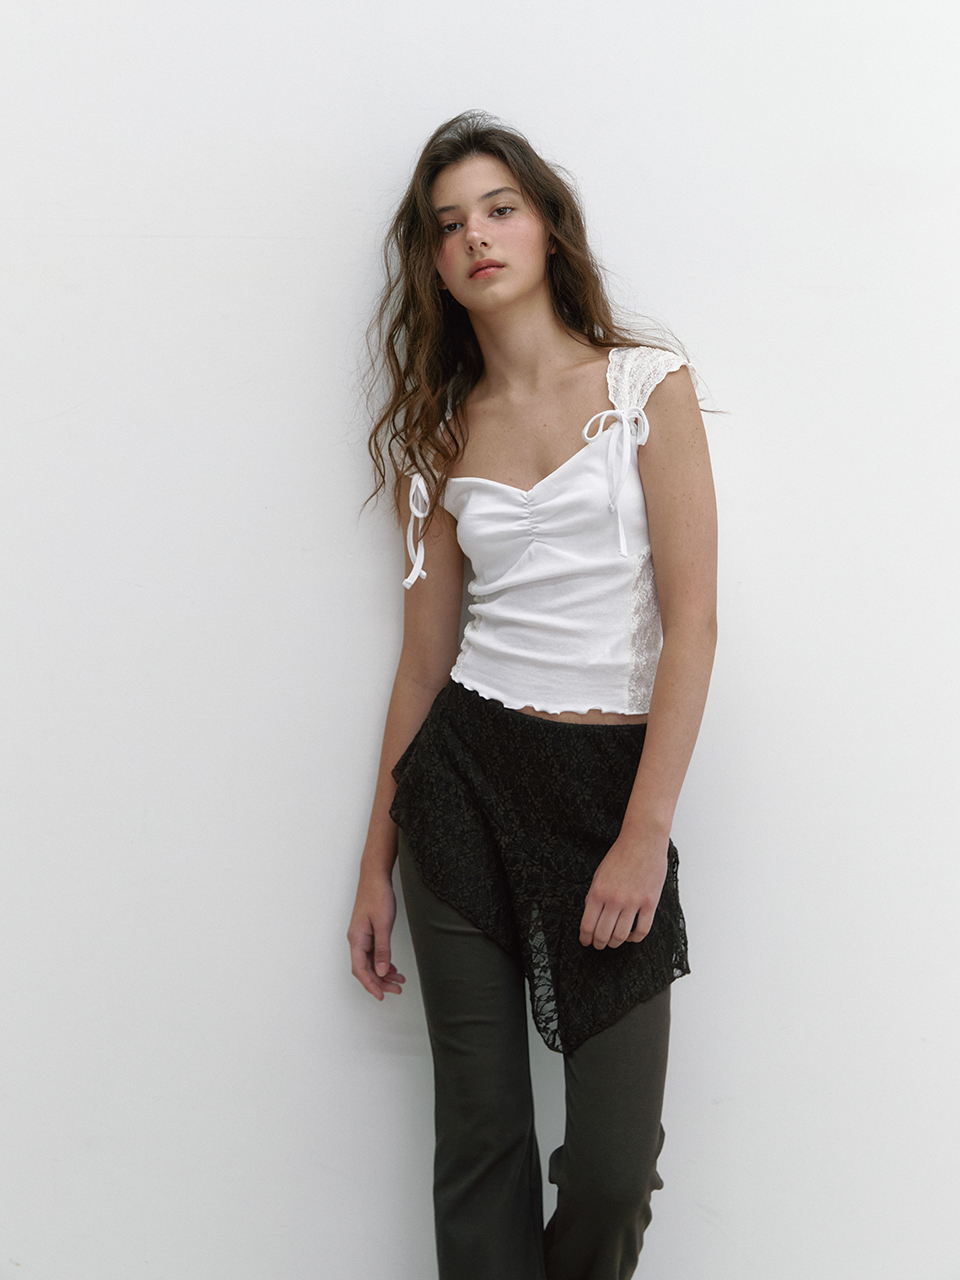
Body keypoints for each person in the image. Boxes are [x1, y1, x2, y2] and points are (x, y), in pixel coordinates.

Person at [347, 111, 717, 1280]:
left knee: (612, 1171)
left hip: (608, 797)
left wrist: (643, 835)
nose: (477, 235)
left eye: (499, 208)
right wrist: (373, 864)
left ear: (548, 226)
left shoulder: (647, 387)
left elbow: (695, 623)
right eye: (449, 223)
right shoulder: (439, 433)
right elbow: (421, 664)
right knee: (483, 1137)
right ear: (434, 261)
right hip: (460, 782)